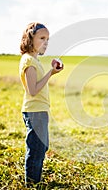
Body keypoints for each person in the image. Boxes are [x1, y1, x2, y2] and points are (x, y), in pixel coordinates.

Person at [19, 22, 63, 186]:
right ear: (30, 38)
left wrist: (51, 70)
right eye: (42, 38)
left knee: (41, 148)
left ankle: (34, 181)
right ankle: (32, 184)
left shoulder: (34, 60)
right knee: (36, 151)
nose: (46, 42)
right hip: (35, 112)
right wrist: (51, 73)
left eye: (48, 39)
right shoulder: (29, 61)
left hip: (40, 111)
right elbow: (33, 90)